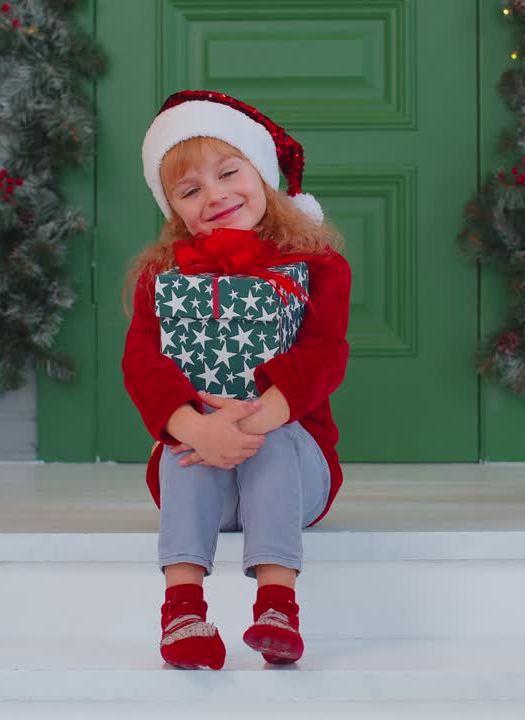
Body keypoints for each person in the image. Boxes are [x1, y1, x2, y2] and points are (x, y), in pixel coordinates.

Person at [121, 90, 352, 670]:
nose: (215, 195)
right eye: (190, 189)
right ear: (174, 207)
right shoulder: (163, 275)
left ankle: (277, 605)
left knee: (272, 439)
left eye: (229, 173)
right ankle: (183, 613)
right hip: (201, 479)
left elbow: (324, 353)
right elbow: (142, 362)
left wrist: (253, 421)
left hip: (295, 472)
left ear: (262, 172)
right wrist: (192, 429)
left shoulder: (317, 263)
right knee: (183, 442)